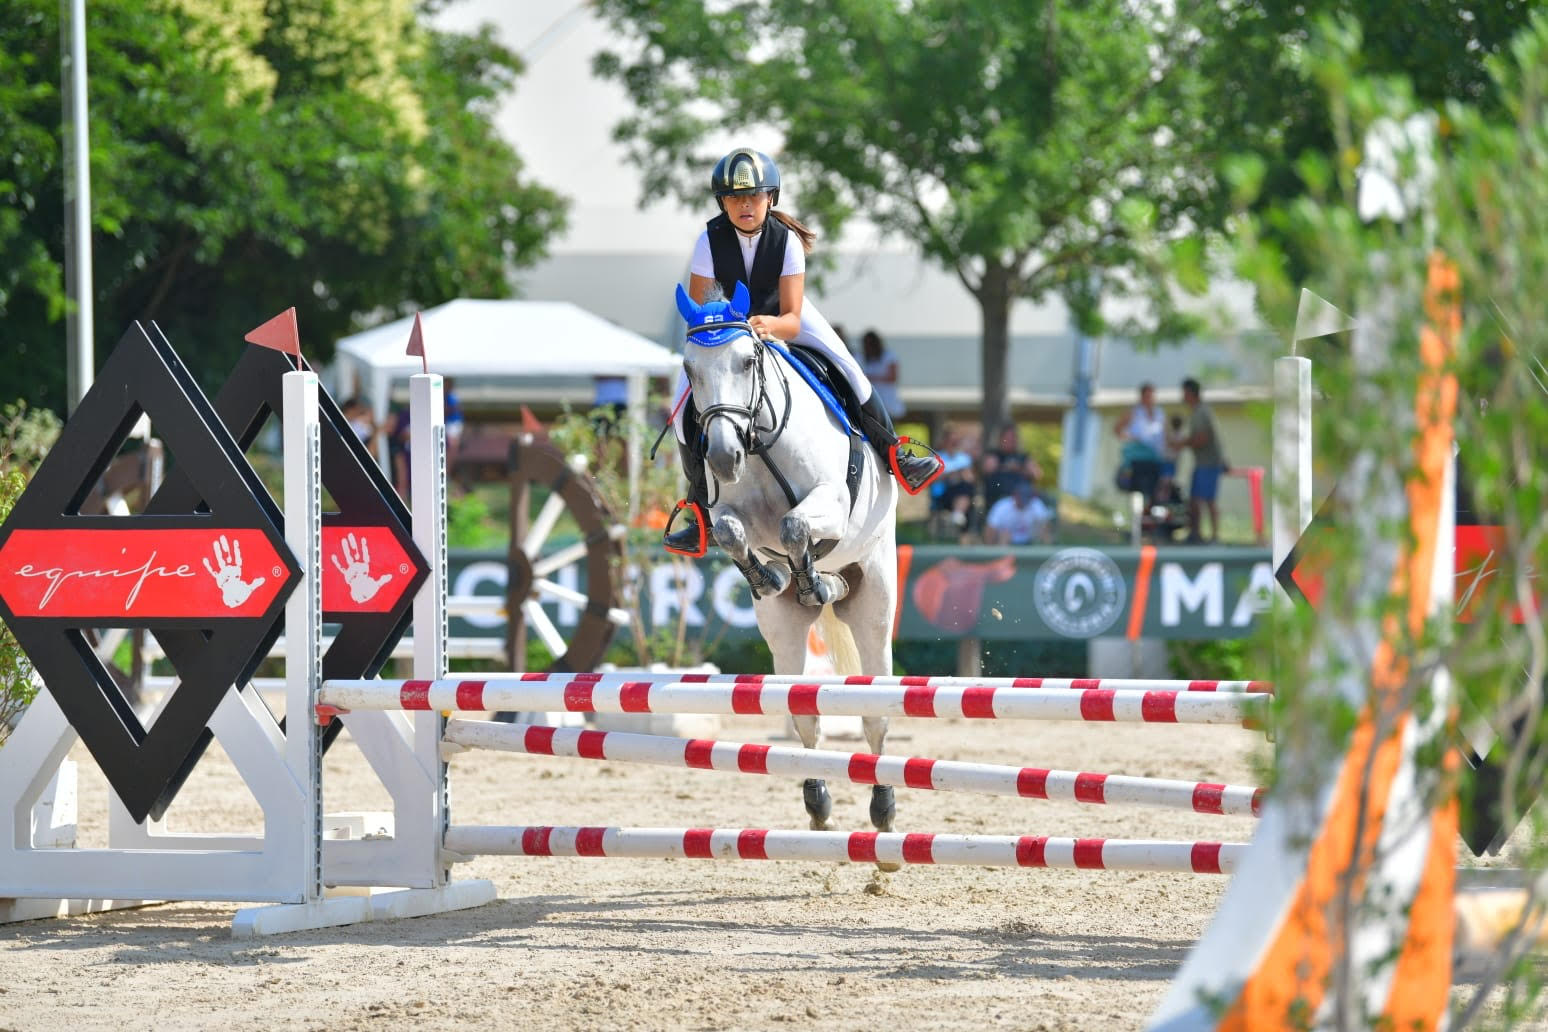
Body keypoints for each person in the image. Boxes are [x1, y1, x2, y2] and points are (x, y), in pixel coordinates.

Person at [664, 147, 944, 554]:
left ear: (770, 198)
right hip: (726, 330)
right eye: (735, 198)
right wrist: (728, 335)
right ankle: (699, 508)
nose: (745, 205)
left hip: (780, 316)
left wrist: (768, 326)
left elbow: (793, 319)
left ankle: (895, 453)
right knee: (680, 409)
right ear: (723, 202)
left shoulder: (786, 241)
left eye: (754, 195)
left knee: (849, 368)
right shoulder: (709, 241)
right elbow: (702, 313)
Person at [1179, 377, 1227, 543]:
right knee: (1195, 500)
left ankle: (1214, 536)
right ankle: (1196, 534)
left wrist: (1181, 443)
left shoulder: (1201, 412)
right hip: (1203, 463)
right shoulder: (1199, 411)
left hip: (1208, 463)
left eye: (1184, 392)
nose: (1182, 396)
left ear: (1190, 393)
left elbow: (1202, 438)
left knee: (1207, 501)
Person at [1114, 382, 1172, 500]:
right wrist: (1131, 438)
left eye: (1152, 396)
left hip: (1155, 458)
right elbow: (1117, 430)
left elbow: (1166, 435)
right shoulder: (1134, 412)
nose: (1150, 399)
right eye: (1147, 396)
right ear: (1141, 397)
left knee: (1152, 491)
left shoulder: (1159, 413)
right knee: (1137, 490)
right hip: (1137, 458)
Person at [983, 476, 1054, 546]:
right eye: (1022, 497)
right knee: (1004, 535)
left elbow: (1046, 525)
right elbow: (990, 528)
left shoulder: (1035, 504)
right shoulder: (1002, 506)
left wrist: (1043, 533)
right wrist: (990, 547)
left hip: (1030, 541)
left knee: (1044, 532)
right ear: (1015, 495)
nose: (1024, 502)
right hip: (1008, 542)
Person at [980, 425, 1037, 509]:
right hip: (999, 498)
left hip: (1023, 498)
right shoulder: (993, 454)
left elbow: (1036, 474)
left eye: (1013, 438)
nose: (1011, 441)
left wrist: (1018, 468)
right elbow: (988, 469)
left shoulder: (1023, 457)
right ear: (1000, 439)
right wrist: (1007, 467)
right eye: (1007, 438)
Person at [859, 329, 905, 420]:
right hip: (870, 404)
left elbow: (893, 377)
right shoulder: (861, 357)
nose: (869, 347)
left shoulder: (889, 356)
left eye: (871, 343)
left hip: (888, 403)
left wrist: (870, 378)